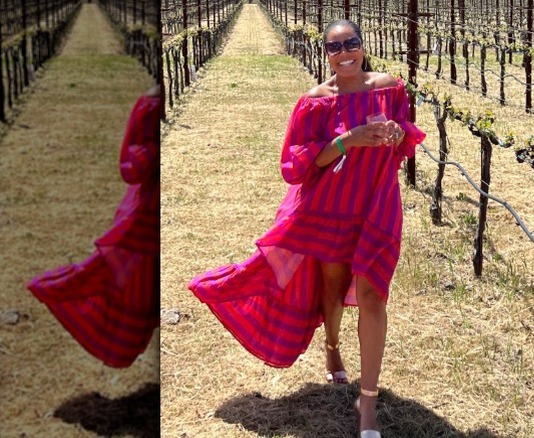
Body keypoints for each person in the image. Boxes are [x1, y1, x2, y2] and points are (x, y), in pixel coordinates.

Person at [188, 19, 425, 438]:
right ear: (326, 53)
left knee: (373, 295)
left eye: (352, 43)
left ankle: (366, 402)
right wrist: (348, 139)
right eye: (335, 47)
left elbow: (406, 132)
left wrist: (395, 131)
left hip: (377, 203)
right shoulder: (315, 101)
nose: (345, 51)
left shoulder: (390, 87)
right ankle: (332, 348)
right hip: (331, 209)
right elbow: (297, 165)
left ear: (363, 45)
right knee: (331, 289)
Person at [28, 85, 161, 368]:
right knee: (125, 278)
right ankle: (60, 291)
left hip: (147, 211)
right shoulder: (149, 106)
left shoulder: (151, 103)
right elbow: (131, 169)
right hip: (144, 213)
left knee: (140, 283)